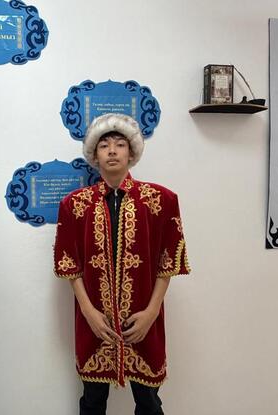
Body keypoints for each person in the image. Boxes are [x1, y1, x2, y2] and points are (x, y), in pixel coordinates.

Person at [53, 113, 191, 415]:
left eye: (119, 144)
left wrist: (151, 312)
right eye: (104, 146)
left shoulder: (161, 200)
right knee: (92, 401)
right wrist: (88, 311)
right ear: (95, 154)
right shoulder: (74, 205)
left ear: (131, 152)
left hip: (143, 319)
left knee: (149, 402)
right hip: (94, 321)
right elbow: (69, 264)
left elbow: (168, 262)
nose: (112, 151)